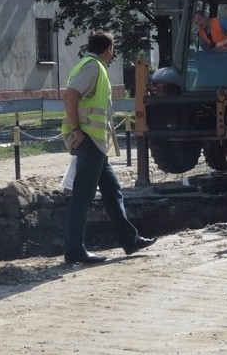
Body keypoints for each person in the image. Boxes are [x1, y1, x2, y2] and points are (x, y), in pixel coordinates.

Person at [61, 31, 156, 264]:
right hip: (88, 140)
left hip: (95, 143)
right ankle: (74, 249)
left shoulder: (89, 65)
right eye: (113, 50)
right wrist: (76, 131)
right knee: (83, 196)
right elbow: (70, 95)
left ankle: (130, 240)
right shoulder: (93, 67)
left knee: (113, 191)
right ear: (108, 50)